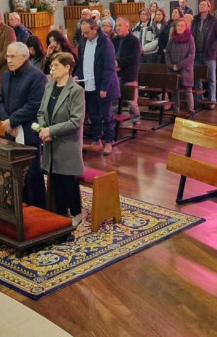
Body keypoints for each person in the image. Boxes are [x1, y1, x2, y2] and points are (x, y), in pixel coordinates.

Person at [38, 52, 86, 226]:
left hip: (67, 142)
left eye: (56, 65)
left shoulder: (76, 91)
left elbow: (75, 121)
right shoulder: (49, 86)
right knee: (55, 178)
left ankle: (76, 213)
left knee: (68, 180)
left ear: (67, 67)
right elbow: (42, 111)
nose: (52, 68)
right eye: (51, 65)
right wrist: (43, 128)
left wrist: (51, 130)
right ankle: (61, 213)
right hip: (51, 141)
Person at [0, 42, 47, 207]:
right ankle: (20, 205)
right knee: (14, 170)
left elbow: (34, 105)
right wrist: (7, 122)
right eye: (7, 56)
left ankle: (39, 208)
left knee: (32, 173)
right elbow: (1, 100)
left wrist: (12, 121)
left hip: (28, 130)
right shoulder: (6, 74)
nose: (9, 60)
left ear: (25, 57)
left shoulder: (36, 76)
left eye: (13, 56)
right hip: (10, 130)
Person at [75, 18, 121, 156]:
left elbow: (109, 67)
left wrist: (104, 88)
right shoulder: (84, 41)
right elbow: (82, 62)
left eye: (87, 32)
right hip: (89, 83)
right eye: (82, 33)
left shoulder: (105, 43)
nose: (84, 35)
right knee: (94, 115)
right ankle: (96, 139)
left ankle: (108, 141)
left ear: (95, 29)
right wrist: (77, 75)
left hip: (102, 85)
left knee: (107, 116)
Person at [191, 0, 217, 104]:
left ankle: (212, 100)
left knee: (211, 79)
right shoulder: (195, 19)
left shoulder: (213, 20)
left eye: (204, 5)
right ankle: (198, 99)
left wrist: (214, 47)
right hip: (197, 53)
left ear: (209, 7)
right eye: (200, 4)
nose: (201, 6)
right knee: (197, 77)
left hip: (209, 54)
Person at [113, 17, 141, 128]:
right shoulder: (114, 40)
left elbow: (133, 57)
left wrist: (118, 63)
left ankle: (136, 122)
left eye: (120, 25)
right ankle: (113, 122)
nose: (117, 28)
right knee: (114, 101)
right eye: (116, 25)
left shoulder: (133, 40)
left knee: (132, 102)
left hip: (129, 74)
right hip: (115, 74)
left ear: (127, 27)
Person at [167, 14, 196, 118]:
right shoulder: (172, 39)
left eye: (182, 25)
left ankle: (190, 111)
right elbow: (167, 53)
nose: (180, 27)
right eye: (178, 25)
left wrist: (178, 66)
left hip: (185, 69)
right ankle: (176, 111)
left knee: (188, 91)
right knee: (175, 91)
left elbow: (191, 56)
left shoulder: (190, 39)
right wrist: (170, 65)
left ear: (186, 27)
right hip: (173, 69)